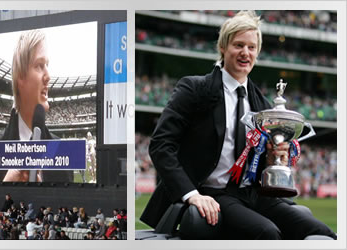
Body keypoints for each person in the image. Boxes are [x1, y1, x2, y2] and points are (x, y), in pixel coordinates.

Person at [140, 11, 336, 240]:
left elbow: (260, 162)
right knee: (268, 234)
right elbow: (160, 145)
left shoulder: (262, 104)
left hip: (252, 194)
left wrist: (274, 158)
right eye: (239, 45)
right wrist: (192, 195)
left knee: (322, 233)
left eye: (252, 47)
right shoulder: (194, 89)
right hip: (213, 193)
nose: (245, 53)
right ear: (223, 47)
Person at [0, 29, 72, 182]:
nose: (48, 76)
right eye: (40, 65)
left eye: (47, 65)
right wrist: (5, 188)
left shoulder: (61, 151)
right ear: (20, 76)